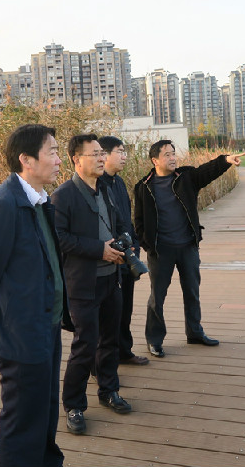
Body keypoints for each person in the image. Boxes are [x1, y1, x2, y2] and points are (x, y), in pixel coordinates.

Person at [0, 124, 72, 467]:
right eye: (52, 152)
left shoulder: (39, 200)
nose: (59, 160)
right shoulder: (6, 204)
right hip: (21, 331)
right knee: (23, 420)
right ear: (26, 160)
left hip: (45, 323)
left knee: (45, 409)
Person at [52, 133, 133, 436]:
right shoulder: (63, 195)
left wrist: (125, 245)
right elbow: (61, 238)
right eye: (95, 154)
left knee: (110, 341)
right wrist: (99, 250)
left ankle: (109, 391)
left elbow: (121, 224)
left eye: (102, 153)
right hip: (83, 283)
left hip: (112, 278)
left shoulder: (107, 190)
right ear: (76, 159)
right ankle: (74, 405)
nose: (102, 158)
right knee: (85, 345)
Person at [134, 140, 245, 358]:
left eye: (173, 153)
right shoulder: (143, 187)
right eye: (167, 155)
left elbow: (206, 171)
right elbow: (138, 221)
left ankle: (194, 332)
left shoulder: (185, 178)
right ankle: (154, 340)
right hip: (161, 251)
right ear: (155, 160)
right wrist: (148, 245)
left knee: (192, 292)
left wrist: (225, 160)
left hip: (187, 247)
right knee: (157, 297)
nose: (172, 158)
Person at [98, 135, 149, 366]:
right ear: (105, 155)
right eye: (119, 151)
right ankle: (105, 361)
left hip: (128, 254)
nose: (124, 156)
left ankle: (124, 351)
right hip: (110, 257)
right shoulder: (98, 184)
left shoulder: (118, 182)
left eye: (124, 151)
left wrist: (135, 244)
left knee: (125, 307)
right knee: (110, 313)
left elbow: (126, 219)